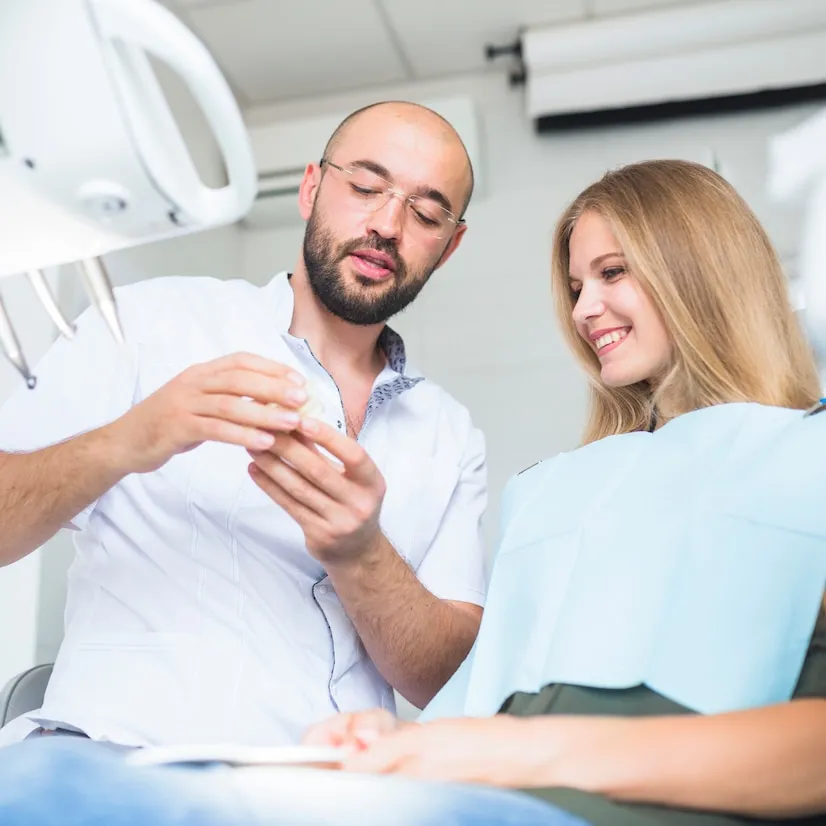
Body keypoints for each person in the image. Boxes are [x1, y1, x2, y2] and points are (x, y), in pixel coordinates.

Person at [303, 159, 826, 826]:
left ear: (699, 269)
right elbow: (492, 698)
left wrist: (525, 752)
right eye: (578, 286)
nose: (583, 310)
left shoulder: (809, 457)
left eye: (612, 273)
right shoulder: (549, 492)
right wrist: (393, 741)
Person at [0, 100, 488, 749]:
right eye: (366, 187)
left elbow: (445, 682)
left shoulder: (449, 435)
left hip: (335, 790)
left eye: (425, 213)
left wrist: (363, 554)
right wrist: (129, 441)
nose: (387, 225)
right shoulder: (149, 326)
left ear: (449, 245)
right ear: (311, 187)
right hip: (122, 762)